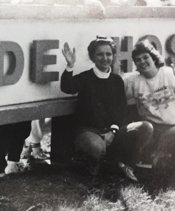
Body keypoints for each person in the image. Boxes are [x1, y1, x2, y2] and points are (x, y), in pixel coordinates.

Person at [60, 37, 152, 180]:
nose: (105, 58)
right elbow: (67, 87)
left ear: (113, 56)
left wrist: (113, 131)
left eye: (108, 54)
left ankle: (126, 164)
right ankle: (101, 167)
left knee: (145, 127)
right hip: (88, 132)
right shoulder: (85, 78)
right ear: (92, 57)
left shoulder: (116, 80)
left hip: (111, 131)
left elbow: (120, 109)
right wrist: (70, 66)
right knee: (97, 147)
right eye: (100, 54)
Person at [124, 42, 175, 184]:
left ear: (154, 58)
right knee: (150, 163)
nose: (142, 62)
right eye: (138, 60)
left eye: (145, 57)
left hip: (173, 127)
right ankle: (137, 165)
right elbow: (117, 97)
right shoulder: (133, 80)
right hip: (151, 130)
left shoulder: (169, 74)